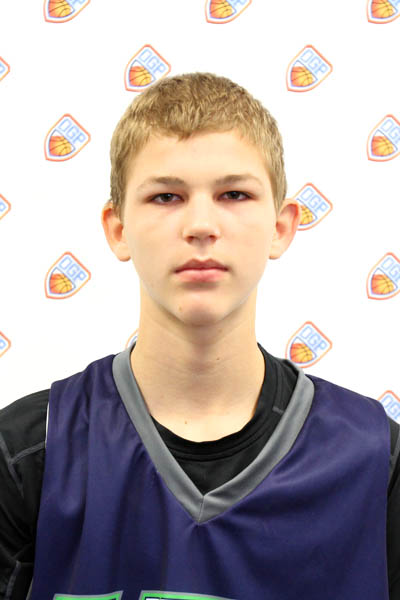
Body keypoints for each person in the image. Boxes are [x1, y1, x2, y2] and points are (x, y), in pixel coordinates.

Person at [0, 72, 399, 600]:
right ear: (118, 229)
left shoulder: (377, 457)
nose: (201, 225)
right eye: (166, 196)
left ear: (281, 227)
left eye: (234, 194)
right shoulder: (29, 451)